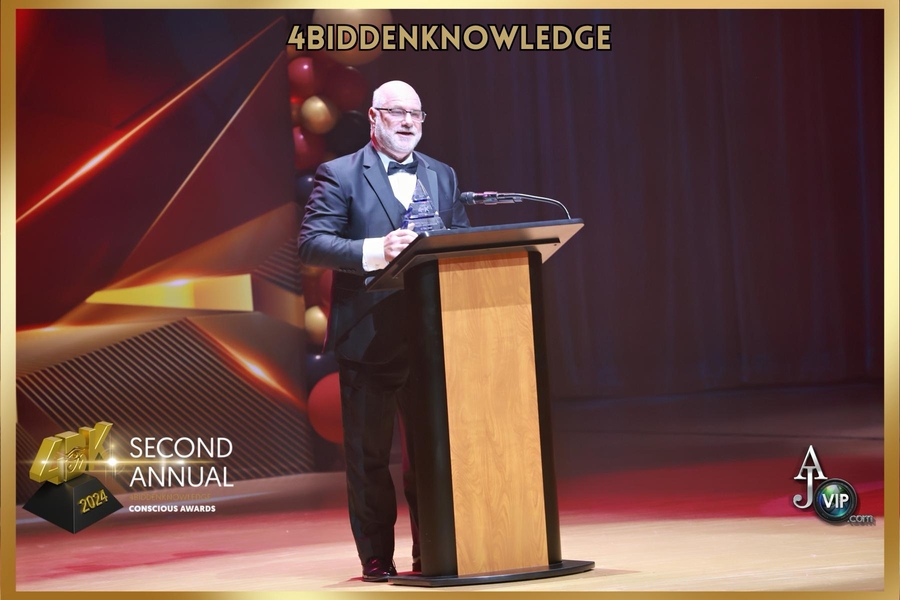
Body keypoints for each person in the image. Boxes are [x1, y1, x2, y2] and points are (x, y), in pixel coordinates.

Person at [298, 80, 470, 582]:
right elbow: (313, 243)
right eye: (397, 112)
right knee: (370, 458)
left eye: (417, 113)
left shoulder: (441, 173)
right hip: (368, 337)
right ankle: (376, 556)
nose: (409, 121)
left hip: (431, 336)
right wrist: (376, 250)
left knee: (431, 454)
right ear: (374, 117)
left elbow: (460, 238)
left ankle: (433, 550)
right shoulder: (340, 174)